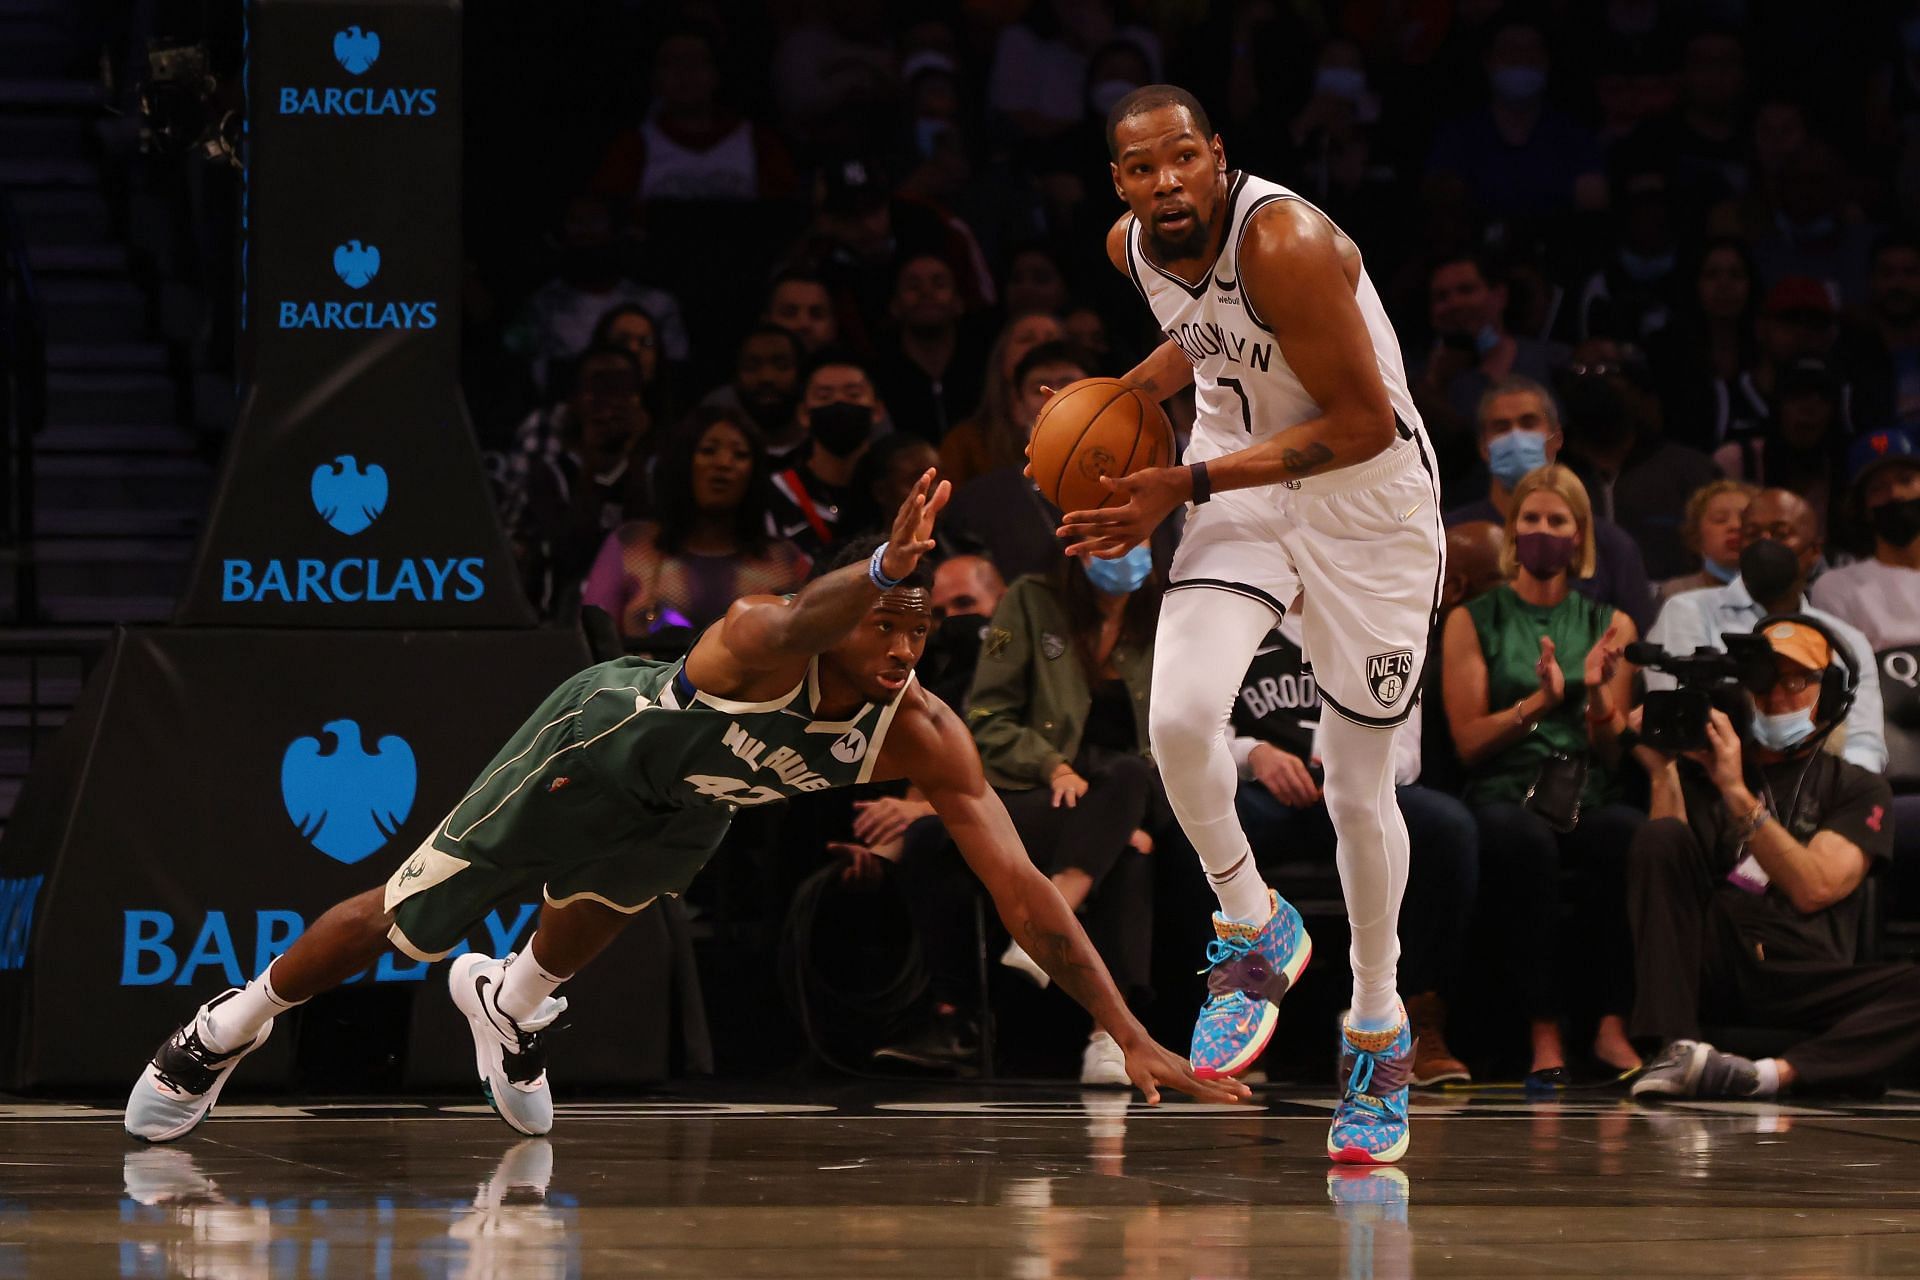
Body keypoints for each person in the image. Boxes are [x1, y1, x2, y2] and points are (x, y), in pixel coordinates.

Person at [124, 478, 1244, 1142]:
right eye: (886, 621)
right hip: (592, 748)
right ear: (846, 612)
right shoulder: (763, 636)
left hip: (692, 803)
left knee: (581, 933)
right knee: (405, 917)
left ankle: (508, 1006)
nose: (905, 647)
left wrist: (1133, 1030)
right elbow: (809, 607)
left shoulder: (924, 731)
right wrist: (885, 561)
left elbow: (1028, 897)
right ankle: (228, 1024)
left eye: (920, 631)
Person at [1052, 85, 1445, 1165]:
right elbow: (1200, 337)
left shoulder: (1287, 239)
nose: (1165, 181)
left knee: (1359, 789)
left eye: (1183, 158)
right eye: (1141, 167)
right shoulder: (1133, 247)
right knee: (1176, 718)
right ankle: (1252, 923)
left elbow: (1362, 422)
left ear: (1219, 156)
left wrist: (1180, 478)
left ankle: (1376, 1022)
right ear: (1120, 183)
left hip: (1369, 508)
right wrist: (1110, 406)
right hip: (1243, 490)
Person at [1628, 618, 1918, 1101]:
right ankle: (1675, 1048)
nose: (1777, 696)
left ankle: (1766, 1075)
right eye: (1764, 681)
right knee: (1658, 837)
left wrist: (1737, 794)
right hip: (1718, 953)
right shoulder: (1710, 769)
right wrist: (1664, 773)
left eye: (1796, 681)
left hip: (1804, 974)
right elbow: (1666, 869)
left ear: (1830, 696)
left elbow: (1814, 888)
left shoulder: (1857, 787)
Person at [1439, 465, 1644, 1089]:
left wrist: (1598, 699)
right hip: (1507, 790)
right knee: (1521, 842)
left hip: (1587, 785)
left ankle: (1612, 1025)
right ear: (1512, 531)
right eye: (1531, 519)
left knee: (1628, 836)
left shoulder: (1614, 626)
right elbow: (1469, 743)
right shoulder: (1474, 620)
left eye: (1558, 522)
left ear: (1580, 537)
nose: (1543, 532)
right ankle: (1543, 1027)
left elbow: (1613, 755)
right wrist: (1540, 702)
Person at [1225, 608, 1480, 1087]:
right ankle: (1242, 1012)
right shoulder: (1240, 621)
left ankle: (1414, 1016)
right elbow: (1201, 735)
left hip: (1361, 790)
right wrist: (1253, 755)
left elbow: (1405, 757)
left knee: (1448, 828)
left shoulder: (1381, 625)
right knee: (1200, 822)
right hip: (1268, 792)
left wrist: (1350, 764)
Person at [964, 552, 1168, 1084]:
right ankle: (1113, 1040)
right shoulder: (1030, 600)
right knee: (1122, 848)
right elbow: (984, 720)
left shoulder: (1168, 608)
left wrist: (1132, 815)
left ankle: (1044, 927)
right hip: (1038, 796)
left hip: (1127, 796)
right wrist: (1049, 765)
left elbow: (1180, 734)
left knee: (1127, 785)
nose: (1122, 553)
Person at [1647, 487, 1887, 773]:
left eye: (1780, 533)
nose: (1764, 544)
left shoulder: (1845, 639)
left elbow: (1865, 745)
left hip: (1817, 794)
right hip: (1714, 784)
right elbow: (1682, 722)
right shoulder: (1688, 611)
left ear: (1814, 552)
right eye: (1753, 533)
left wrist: (1836, 795)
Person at [1443, 375, 1656, 633]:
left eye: (1528, 423)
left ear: (1556, 438)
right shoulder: (1452, 537)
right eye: (1501, 427)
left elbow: (1635, 646)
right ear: (1484, 448)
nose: (1516, 436)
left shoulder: (1611, 545)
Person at [581, 408, 810, 642]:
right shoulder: (631, 543)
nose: (723, 463)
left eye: (740, 455)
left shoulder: (784, 560)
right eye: (708, 451)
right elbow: (590, 646)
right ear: (683, 461)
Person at [509, 345, 655, 616]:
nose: (608, 404)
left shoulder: (652, 471)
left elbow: (644, 542)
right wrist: (591, 457)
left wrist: (633, 448)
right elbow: (569, 553)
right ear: (575, 400)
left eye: (619, 390)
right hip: (563, 619)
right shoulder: (552, 474)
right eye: (597, 391)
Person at [1411, 250, 1570, 487]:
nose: (1454, 303)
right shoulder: (1418, 385)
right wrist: (1434, 387)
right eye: (1442, 297)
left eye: (1466, 290)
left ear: (1499, 296)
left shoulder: (1552, 360)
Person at [946, 341, 1094, 582]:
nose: (1055, 398)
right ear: (1017, 405)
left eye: (1069, 385)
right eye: (1039, 389)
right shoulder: (978, 502)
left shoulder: (1137, 487)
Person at [768, 352, 890, 559]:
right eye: (824, 396)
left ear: (877, 410)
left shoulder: (896, 491)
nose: (839, 402)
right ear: (804, 414)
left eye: (853, 394)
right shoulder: (774, 494)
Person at [941, 312, 1066, 490]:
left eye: (1052, 338)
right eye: (1027, 339)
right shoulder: (964, 443)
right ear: (1002, 357)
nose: (1042, 346)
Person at [871, 253, 987, 443]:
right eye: (913, 286)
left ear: (959, 302)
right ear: (895, 305)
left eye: (939, 284)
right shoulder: (879, 376)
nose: (926, 292)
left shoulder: (983, 370)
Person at [698, 325, 806, 456]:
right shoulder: (714, 412)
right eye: (751, 367)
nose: (767, 377)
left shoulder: (819, 441)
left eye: (781, 366)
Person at [1660, 478, 1756, 599]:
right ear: (1696, 535)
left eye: (1744, 518)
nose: (1735, 526)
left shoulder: (1778, 593)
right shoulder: (1677, 592)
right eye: (1720, 519)